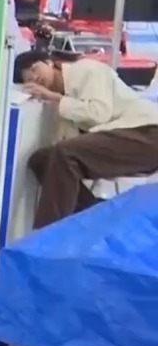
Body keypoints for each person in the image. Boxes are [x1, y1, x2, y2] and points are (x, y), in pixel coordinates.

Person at [14, 49, 158, 229]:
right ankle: (99, 218)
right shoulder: (62, 100)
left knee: (65, 153)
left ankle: (45, 237)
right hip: (128, 137)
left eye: (35, 69)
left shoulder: (86, 70)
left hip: (147, 132)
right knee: (42, 159)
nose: (36, 78)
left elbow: (99, 113)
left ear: (49, 62)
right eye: (30, 80)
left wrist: (55, 98)